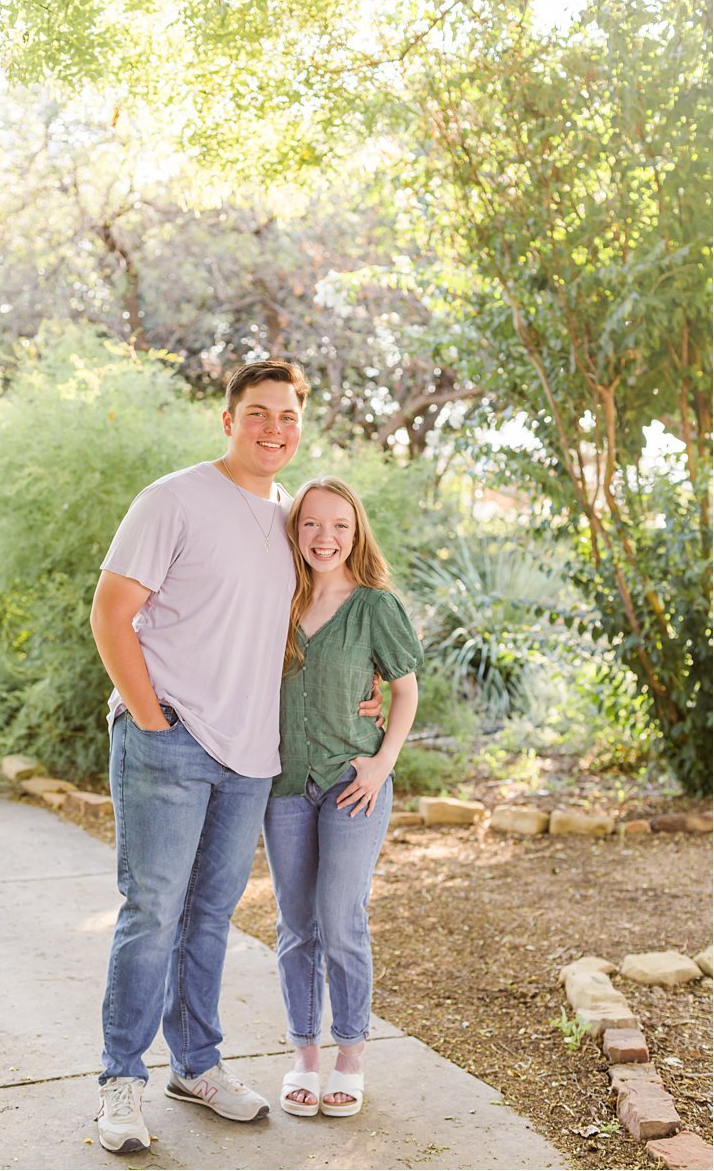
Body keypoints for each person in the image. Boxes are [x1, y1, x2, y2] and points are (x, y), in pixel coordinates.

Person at [87, 360, 382, 1155]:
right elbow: (111, 614)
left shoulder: (293, 520)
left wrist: (364, 692)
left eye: (287, 417)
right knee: (152, 913)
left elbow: (322, 619)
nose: (274, 430)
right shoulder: (172, 499)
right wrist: (152, 720)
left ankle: (197, 1066)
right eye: (259, 414)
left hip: (254, 758)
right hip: (170, 739)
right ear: (229, 420)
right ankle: (121, 1080)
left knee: (211, 918)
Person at [266, 477, 420, 1119]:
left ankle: (350, 1055)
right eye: (310, 525)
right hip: (282, 783)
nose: (324, 538)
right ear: (294, 531)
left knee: (340, 916)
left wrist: (383, 764)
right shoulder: (274, 598)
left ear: (356, 534)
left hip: (352, 785)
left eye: (339, 526)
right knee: (296, 924)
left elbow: (405, 690)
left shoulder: (375, 606)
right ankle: (305, 1054)